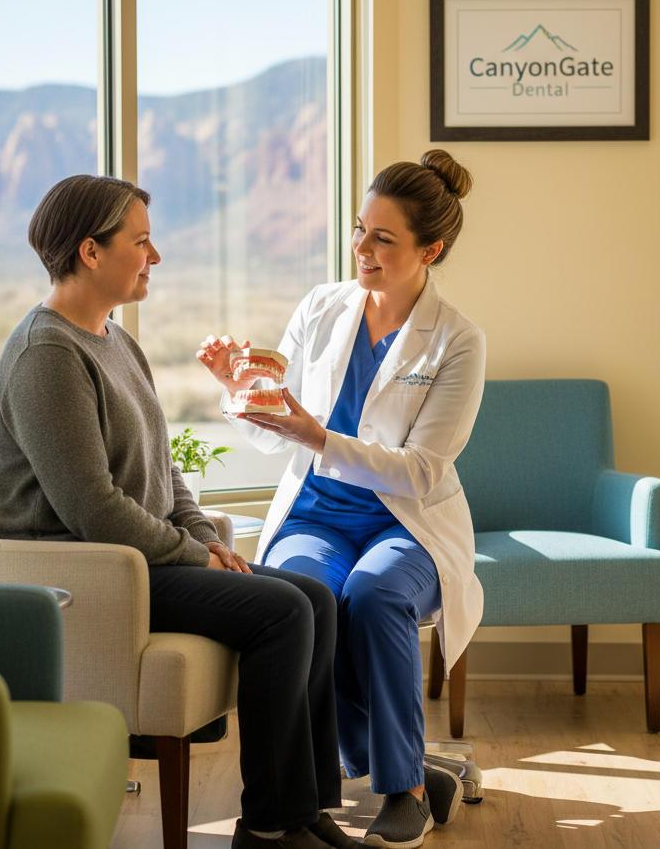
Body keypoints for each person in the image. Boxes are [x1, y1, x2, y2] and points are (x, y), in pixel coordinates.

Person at [0, 175, 356, 849]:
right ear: (91, 253)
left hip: (142, 557)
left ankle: (302, 810)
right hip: (94, 568)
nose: (154, 257)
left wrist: (200, 534)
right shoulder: (48, 355)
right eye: (142, 242)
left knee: (316, 599)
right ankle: (269, 829)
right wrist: (195, 553)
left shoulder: (116, 342)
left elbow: (163, 467)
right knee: (281, 610)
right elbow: (92, 507)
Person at [197, 150, 485, 849]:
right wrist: (240, 390)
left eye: (383, 238)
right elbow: (278, 436)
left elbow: (419, 472)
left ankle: (405, 789)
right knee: (301, 598)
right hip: (315, 516)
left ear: (431, 250)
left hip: (405, 524)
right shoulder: (322, 308)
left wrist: (317, 434)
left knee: (375, 595)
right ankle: (327, 790)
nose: (362, 248)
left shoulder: (458, 341)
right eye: (360, 230)